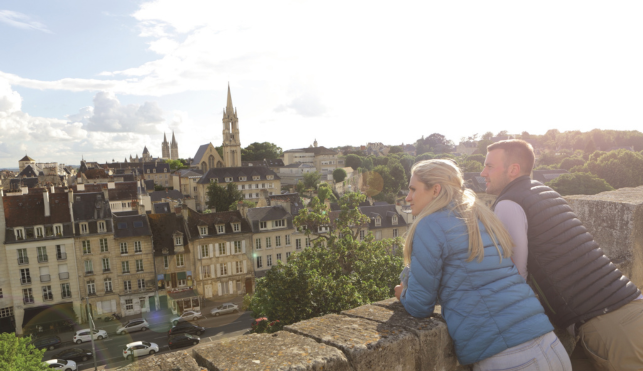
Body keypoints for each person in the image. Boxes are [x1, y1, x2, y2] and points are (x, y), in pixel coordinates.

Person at [481, 139, 643, 370]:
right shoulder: (546, 191)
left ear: (513, 169)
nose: (482, 172)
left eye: (489, 166)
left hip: (611, 326)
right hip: (630, 308)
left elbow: (516, 272)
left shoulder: (509, 202)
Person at [396, 159, 571, 370]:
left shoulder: (430, 225)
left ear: (435, 190)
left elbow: (419, 305)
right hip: (550, 345)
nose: (408, 198)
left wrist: (402, 294)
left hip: (509, 356)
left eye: (413, 190)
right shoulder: (481, 216)